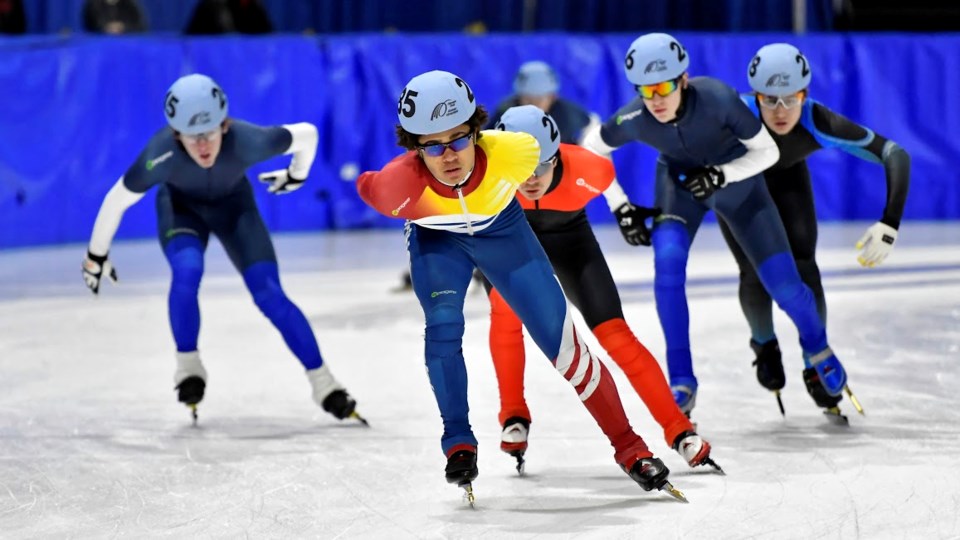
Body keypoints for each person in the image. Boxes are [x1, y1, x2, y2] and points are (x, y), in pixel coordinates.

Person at [356, 70, 687, 503]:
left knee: (564, 345)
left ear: (478, 130)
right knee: (442, 326)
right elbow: (366, 185)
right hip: (437, 240)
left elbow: (580, 168)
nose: (449, 155)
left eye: (458, 139)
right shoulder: (394, 186)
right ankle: (457, 439)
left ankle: (630, 447)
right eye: (432, 145)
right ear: (413, 147)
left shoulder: (515, 152)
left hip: (503, 234)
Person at [579, 33, 856, 422]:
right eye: (645, 89)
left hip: (740, 189)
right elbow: (590, 150)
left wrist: (721, 174)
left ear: (684, 80)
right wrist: (620, 205)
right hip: (680, 190)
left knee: (785, 286)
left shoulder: (718, 98)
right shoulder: (634, 118)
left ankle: (818, 348)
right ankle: (680, 380)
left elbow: (768, 151)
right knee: (668, 267)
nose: (656, 99)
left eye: (663, 87)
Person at [81, 74, 361, 425]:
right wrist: (95, 257)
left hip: (235, 209)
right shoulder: (160, 154)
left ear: (225, 126)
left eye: (209, 133)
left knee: (270, 294)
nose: (202, 146)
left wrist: (297, 174)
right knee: (187, 270)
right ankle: (188, 367)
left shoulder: (248, 140)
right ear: (174, 133)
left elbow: (307, 134)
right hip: (181, 210)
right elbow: (115, 201)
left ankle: (324, 383)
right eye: (191, 136)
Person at [488, 105, 719, 475]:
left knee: (616, 335)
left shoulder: (587, 167)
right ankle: (513, 413)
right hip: (514, 246)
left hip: (571, 244)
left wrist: (623, 209)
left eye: (542, 166)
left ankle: (679, 429)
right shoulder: (485, 170)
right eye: (520, 170)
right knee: (504, 312)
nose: (531, 179)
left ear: (558, 154)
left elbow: (606, 179)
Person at [718, 43, 909, 415]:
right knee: (754, 274)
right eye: (769, 100)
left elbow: (895, 153)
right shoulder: (731, 114)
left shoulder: (815, 119)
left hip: (789, 182)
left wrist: (890, 222)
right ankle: (764, 344)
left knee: (805, 266)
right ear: (754, 96)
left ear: (805, 94)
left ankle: (813, 357)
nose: (780, 111)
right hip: (743, 190)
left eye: (791, 99)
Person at [487, 61, 596, 144]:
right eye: (528, 99)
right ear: (518, 98)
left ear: (553, 97)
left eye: (539, 100)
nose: (533, 105)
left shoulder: (572, 118)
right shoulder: (504, 114)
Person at [83, 0, 148, 34]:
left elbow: (139, 24)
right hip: (100, 47)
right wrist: (106, 28)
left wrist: (123, 27)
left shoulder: (130, 4)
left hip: (127, 46)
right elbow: (90, 25)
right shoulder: (93, 4)